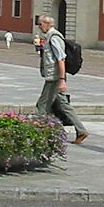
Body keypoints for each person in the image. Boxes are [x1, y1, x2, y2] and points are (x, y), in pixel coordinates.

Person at [35, 14, 89, 144]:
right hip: (54, 76)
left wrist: (62, 79)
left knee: (42, 105)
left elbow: (61, 59)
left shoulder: (54, 38)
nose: (39, 26)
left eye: (40, 24)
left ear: (48, 24)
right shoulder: (49, 37)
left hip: (54, 77)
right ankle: (81, 130)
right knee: (64, 105)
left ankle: (42, 133)